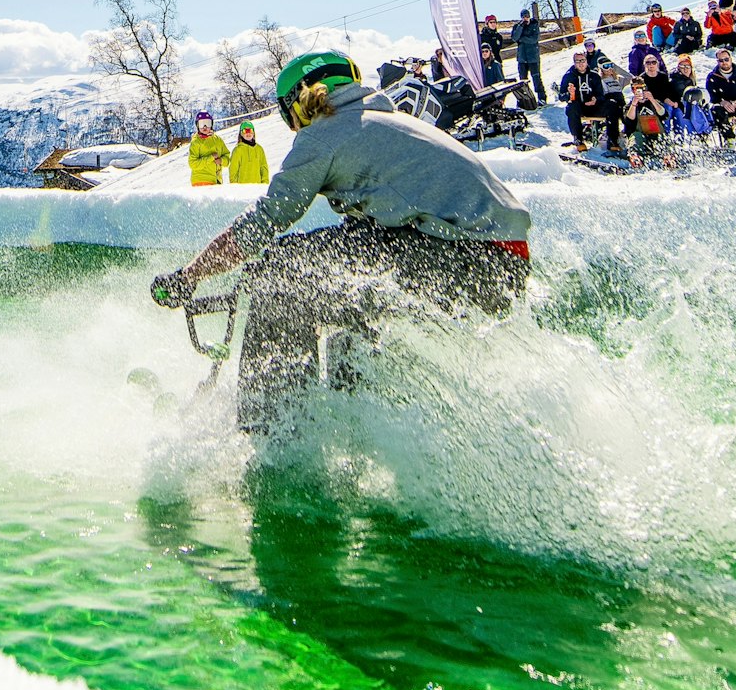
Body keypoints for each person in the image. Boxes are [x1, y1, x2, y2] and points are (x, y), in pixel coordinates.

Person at [150, 53, 532, 433]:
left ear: (300, 102)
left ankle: (271, 437)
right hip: (496, 264)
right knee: (343, 289)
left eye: (289, 115)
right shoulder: (386, 120)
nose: (292, 127)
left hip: (466, 256)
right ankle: (353, 427)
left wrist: (191, 274)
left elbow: (263, 223)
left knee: (284, 270)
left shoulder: (325, 132)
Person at [559, 49, 626, 155]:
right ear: (574, 63)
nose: (581, 64)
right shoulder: (569, 76)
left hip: (594, 106)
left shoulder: (594, 75)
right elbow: (561, 96)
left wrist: (596, 99)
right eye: (578, 61)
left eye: (582, 60)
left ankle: (613, 140)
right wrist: (569, 95)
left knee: (612, 105)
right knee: (571, 107)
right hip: (579, 107)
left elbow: (601, 94)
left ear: (586, 61)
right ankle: (578, 139)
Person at [622, 78, 669, 164]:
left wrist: (652, 99)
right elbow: (629, 120)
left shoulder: (654, 102)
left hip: (655, 133)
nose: (639, 90)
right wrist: (634, 103)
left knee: (663, 138)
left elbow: (664, 114)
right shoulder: (629, 106)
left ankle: (667, 157)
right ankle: (635, 157)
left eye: (641, 87)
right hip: (640, 135)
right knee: (636, 137)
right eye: (636, 88)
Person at [509, 10, 546, 103]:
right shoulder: (517, 26)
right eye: (523, 17)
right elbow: (514, 38)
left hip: (533, 57)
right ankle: (525, 100)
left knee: (536, 78)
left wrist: (522, 39)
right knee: (522, 81)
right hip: (522, 58)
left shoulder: (534, 25)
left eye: (526, 16)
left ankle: (542, 98)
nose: (525, 18)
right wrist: (521, 27)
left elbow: (534, 39)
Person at [188, 111, 230, 186]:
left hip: (216, 180)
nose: (205, 127)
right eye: (201, 124)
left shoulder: (217, 140)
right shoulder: (196, 142)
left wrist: (221, 161)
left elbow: (227, 158)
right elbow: (193, 164)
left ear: (211, 124)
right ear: (197, 125)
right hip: (201, 180)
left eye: (207, 123)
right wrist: (211, 158)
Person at [228, 120, 269, 186]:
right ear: (241, 133)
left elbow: (263, 167)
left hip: (257, 187)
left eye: (250, 131)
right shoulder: (237, 150)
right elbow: (233, 170)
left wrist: (265, 183)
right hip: (243, 188)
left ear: (253, 133)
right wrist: (234, 186)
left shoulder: (259, 149)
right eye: (245, 131)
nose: (248, 133)